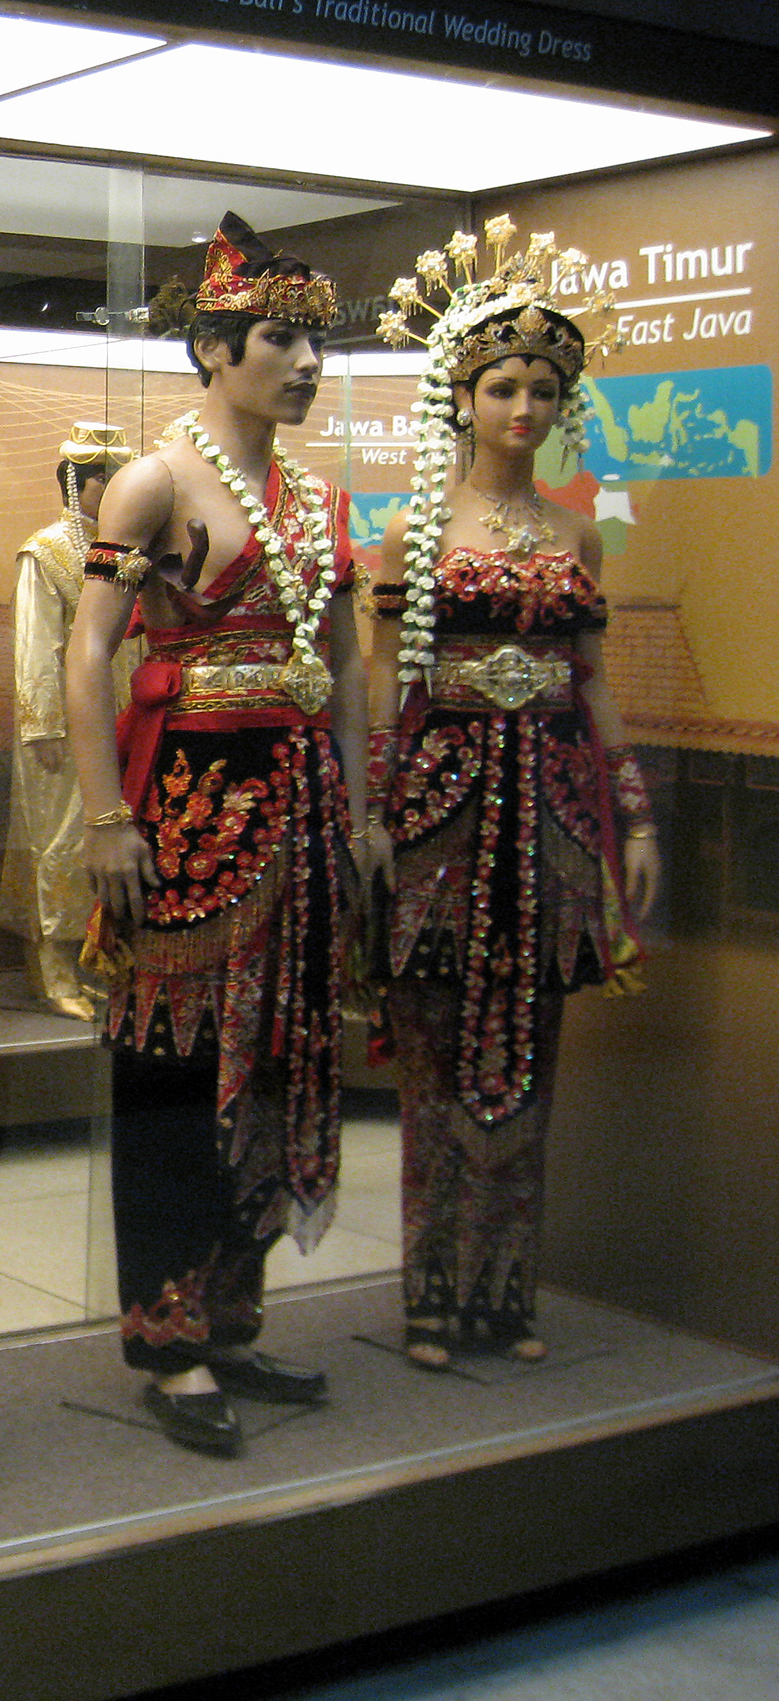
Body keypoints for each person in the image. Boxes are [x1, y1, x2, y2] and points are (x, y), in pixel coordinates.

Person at [65, 212, 386, 1458]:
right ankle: (164, 1336)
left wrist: (360, 810)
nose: (306, 364)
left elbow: (348, 675)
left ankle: (235, 1316)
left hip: (299, 815)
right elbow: (86, 649)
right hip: (193, 810)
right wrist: (104, 815)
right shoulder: (154, 479)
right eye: (280, 340)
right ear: (212, 348)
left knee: (283, 1062)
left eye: (316, 343)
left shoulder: (311, 495)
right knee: (172, 1071)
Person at [371, 218, 653, 1370]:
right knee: (433, 1043)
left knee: (532, 1042)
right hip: (440, 809)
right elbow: (386, 683)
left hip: (551, 808)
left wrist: (631, 810)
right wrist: (372, 815)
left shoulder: (580, 534)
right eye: (501, 387)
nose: (523, 410)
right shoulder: (415, 527)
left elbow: (592, 683)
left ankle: (506, 1287)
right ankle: (432, 1289)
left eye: (543, 389)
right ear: (462, 398)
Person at [0, 422, 137, 1021]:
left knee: (108, 836)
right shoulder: (47, 550)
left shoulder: (128, 551)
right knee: (55, 842)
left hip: (121, 716)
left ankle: (92, 958)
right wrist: (42, 725)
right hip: (59, 725)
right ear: (81, 483)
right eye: (108, 477)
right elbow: (33, 646)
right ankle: (49, 969)